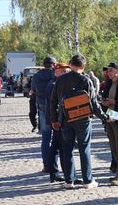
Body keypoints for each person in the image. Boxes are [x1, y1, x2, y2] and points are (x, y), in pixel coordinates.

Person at [50, 54, 109, 189]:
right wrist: (105, 117)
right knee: (84, 149)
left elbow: (53, 101)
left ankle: (69, 180)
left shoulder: (60, 80)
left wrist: (54, 119)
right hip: (83, 119)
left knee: (67, 149)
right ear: (83, 66)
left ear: (70, 64)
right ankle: (87, 180)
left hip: (65, 119)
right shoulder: (86, 80)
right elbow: (94, 104)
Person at [45, 62, 71, 183]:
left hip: (55, 120)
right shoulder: (55, 84)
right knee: (61, 147)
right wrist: (55, 121)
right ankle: (67, 175)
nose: (67, 74)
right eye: (64, 72)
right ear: (57, 72)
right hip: (57, 121)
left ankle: (54, 172)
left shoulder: (54, 83)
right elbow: (53, 105)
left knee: (55, 147)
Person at [31, 56, 57, 172]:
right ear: (53, 65)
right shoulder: (56, 75)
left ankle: (46, 164)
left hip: (42, 106)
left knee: (45, 137)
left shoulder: (36, 76)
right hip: (55, 108)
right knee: (56, 137)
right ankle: (54, 164)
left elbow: (33, 90)